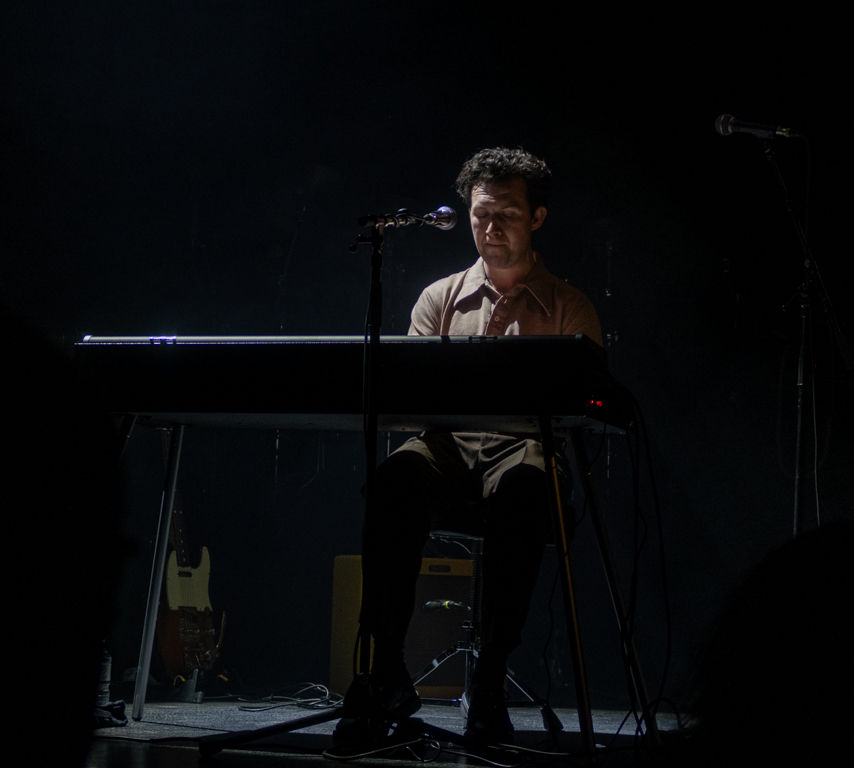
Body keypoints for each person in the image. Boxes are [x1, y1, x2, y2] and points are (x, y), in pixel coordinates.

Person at [335, 147, 602, 748]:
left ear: (537, 217)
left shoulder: (570, 307)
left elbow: (580, 412)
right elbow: (412, 403)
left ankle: (489, 677)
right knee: (394, 477)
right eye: (481, 214)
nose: (490, 227)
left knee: (526, 482)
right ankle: (384, 670)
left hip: (522, 449)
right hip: (447, 448)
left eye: (506, 214)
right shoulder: (439, 298)